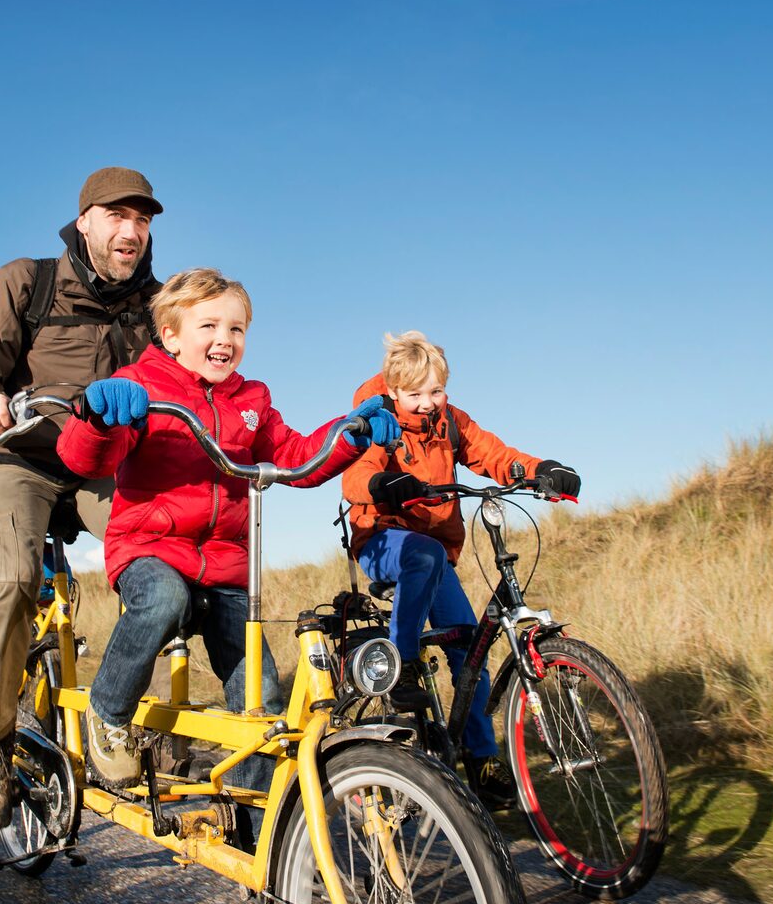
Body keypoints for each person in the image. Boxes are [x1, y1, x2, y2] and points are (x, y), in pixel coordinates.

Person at [56, 268, 401, 789]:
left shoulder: (252, 400)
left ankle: (253, 814)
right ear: (170, 335)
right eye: (209, 327)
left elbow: (296, 457)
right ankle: (108, 713)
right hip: (150, 548)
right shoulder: (138, 387)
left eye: (236, 329)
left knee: (260, 695)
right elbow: (84, 460)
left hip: (225, 566)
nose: (225, 340)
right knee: (163, 600)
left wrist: (350, 434)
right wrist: (99, 418)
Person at [0, 166, 163, 832]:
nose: (132, 230)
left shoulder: (158, 304)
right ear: (87, 222)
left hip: (103, 462)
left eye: (144, 219)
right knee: (9, 579)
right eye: (118, 216)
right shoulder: (25, 282)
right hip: (26, 456)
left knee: (167, 558)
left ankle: (126, 714)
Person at [341, 330, 581, 809]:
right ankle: (402, 658)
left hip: (433, 548)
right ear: (393, 390)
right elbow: (356, 476)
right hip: (383, 538)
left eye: (436, 391)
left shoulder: (449, 422)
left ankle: (482, 758)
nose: (427, 402)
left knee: (470, 649)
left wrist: (540, 469)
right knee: (423, 556)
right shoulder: (378, 418)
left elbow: (493, 454)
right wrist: (387, 484)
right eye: (415, 394)